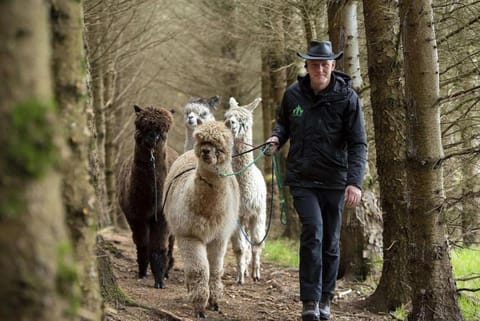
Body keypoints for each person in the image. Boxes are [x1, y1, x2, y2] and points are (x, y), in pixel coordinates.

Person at [266, 40, 367, 321]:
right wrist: (276, 137)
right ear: (307, 66)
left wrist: (354, 182)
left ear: (333, 66)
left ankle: (326, 299)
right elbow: (284, 123)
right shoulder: (293, 95)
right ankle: (309, 301)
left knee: (331, 243)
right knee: (313, 234)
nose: (320, 68)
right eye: (314, 64)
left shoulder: (348, 98)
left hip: (336, 180)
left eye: (325, 64)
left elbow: (358, 143)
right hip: (302, 179)